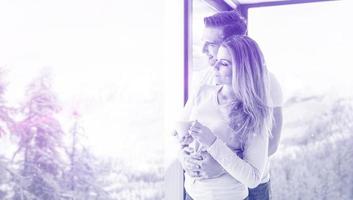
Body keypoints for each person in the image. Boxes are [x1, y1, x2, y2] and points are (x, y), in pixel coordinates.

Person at [177, 11, 283, 200]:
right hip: (201, 188)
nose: (204, 50)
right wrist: (187, 157)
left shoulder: (266, 83)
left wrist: (220, 165)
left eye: (210, 43)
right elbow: (184, 129)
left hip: (250, 188)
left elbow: (271, 145)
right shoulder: (206, 79)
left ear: (234, 43)